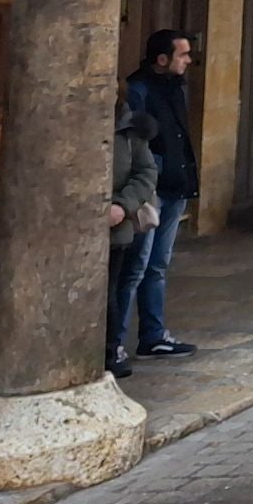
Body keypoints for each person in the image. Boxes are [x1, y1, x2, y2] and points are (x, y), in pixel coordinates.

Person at [121, 30, 200, 361]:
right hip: (149, 191)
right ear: (162, 58)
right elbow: (133, 145)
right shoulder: (137, 91)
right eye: (183, 55)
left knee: (157, 265)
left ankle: (153, 336)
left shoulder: (176, 89)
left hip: (175, 185)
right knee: (134, 267)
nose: (188, 60)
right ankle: (115, 343)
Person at [106, 82, 158, 380]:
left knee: (110, 292)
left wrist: (122, 206)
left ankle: (110, 351)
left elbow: (146, 172)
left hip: (115, 226)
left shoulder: (129, 129)